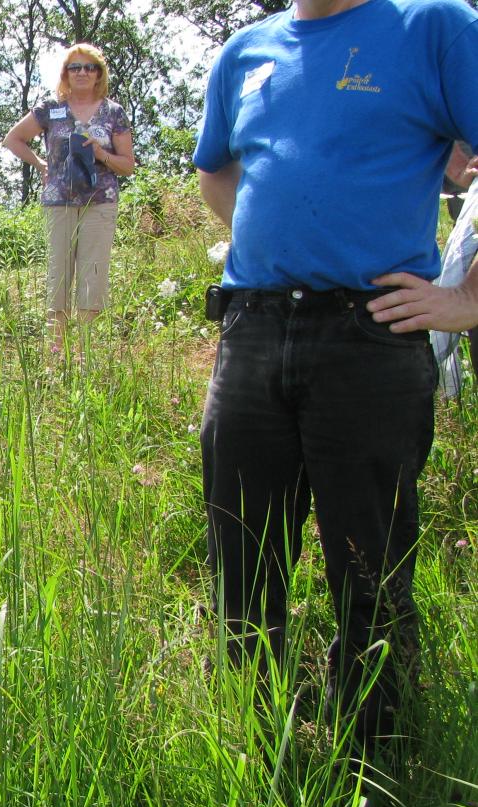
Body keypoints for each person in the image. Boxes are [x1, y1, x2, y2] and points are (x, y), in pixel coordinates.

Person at [192, 0, 478, 765]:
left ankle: (372, 769)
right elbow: (217, 171)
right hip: (250, 330)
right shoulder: (244, 52)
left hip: (369, 334)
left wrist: (468, 297)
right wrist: (266, 230)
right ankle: (258, 754)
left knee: (369, 565)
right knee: (241, 559)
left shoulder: (433, 27)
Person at [3, 44, 135, 354]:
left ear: (99, 74)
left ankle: (85, 360)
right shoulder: (51, 108)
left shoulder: (113, 112)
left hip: (99, 202)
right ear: (66, 73)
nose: (82, 73)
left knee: (92, 278)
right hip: (59, 202)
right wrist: (41, 164)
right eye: (75, 67)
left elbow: (128, 165)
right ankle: (54, 360)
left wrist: (101, 153)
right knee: (58, 279)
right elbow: (13, 139)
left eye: (89, 67)